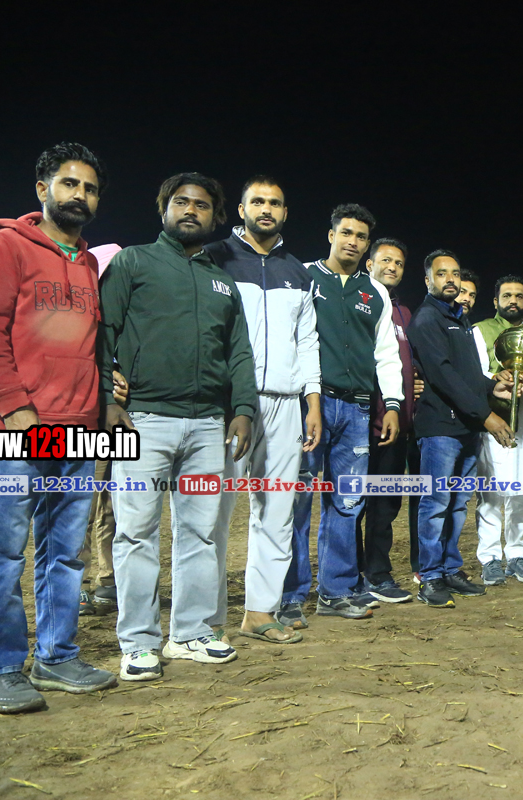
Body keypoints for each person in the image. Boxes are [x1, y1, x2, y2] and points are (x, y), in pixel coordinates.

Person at [0, 142, 118, 712]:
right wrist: (15, 410)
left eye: (90, 189)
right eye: (70, 184)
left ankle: (56, 656)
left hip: (78, 429)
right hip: (14, 427)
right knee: (1, 552)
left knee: (66, 555)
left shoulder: (89, 264)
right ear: (42, 189)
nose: (80, 195)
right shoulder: (4, 246)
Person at [100, 172, 256, 680]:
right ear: (164, 208)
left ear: (217, 216)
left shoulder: (222, 282)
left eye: (202, 204)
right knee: (135, 533)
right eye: (181, 202)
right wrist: (106, 398)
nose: (191, 210)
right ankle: (138, 643)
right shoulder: (133, 262)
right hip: (142, 419)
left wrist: (243, 409)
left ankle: (189, 633)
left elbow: (238, 352)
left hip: (208, 425)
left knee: (201, 534)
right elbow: (103, 332)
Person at [206, 177, 321, 645]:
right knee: (212, 512)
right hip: (229, 403)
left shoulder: (298, 272)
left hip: (285, 404)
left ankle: (259, 613)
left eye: (275, 202)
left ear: (285, 212)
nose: (266, 209)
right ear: (241, 209)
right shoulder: (215, 257)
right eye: (257, 201)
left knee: (276, 511)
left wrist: (312, 401)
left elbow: (307, 341)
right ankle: (205, 620)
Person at [283, 204, 403, 622]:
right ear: (331, 234)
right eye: (346, 233)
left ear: (367, 245)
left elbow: (387, 353)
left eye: (361, 237)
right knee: (297, 501)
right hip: (308, 406)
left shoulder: (376, 292)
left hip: (356, 409)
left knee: (347, 502)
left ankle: (334, 591)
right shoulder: (303, 276)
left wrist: (392, 403)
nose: (353, 241)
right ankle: (290, 595)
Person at [408, 251, 515, 607]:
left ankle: (450, 569)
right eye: (442, 274)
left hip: (465, 427)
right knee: (436, 503)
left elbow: (466, 374)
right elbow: (443, 376)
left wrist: (492, 387)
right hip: (440, 428)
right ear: (428, 280)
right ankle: (430, 577)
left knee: (456, 504)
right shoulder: (427, 319)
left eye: (455, 273)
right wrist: (487, 416)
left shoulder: (458, 317)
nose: (450, 279)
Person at [472, 276, 523, 585]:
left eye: (519, 296)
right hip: (494, 419)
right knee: (491, 493)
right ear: (496, 301)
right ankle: (490, 558)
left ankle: (518, 555)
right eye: (507, 295)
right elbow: (476, 372)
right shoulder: (480, 331)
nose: (513, 301)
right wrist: (496, 377)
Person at [355, 237, 420, 604]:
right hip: (362, 422)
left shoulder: (405, 313)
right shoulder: (359, 302)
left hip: (397, 427)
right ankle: (351, 576)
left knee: (386, 505)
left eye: (399, 263)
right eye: (385, 260)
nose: (392, 267)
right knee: (354, 505)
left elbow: (408, 362)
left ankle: (378, 575)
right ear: (369, 264)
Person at [78, 242, 124, 618]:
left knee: (111, 503)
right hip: (84, 421)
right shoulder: (81, 317)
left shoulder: (125, 317)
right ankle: (76, 584)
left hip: (118, 423)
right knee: (81, 504)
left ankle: (107, 578)